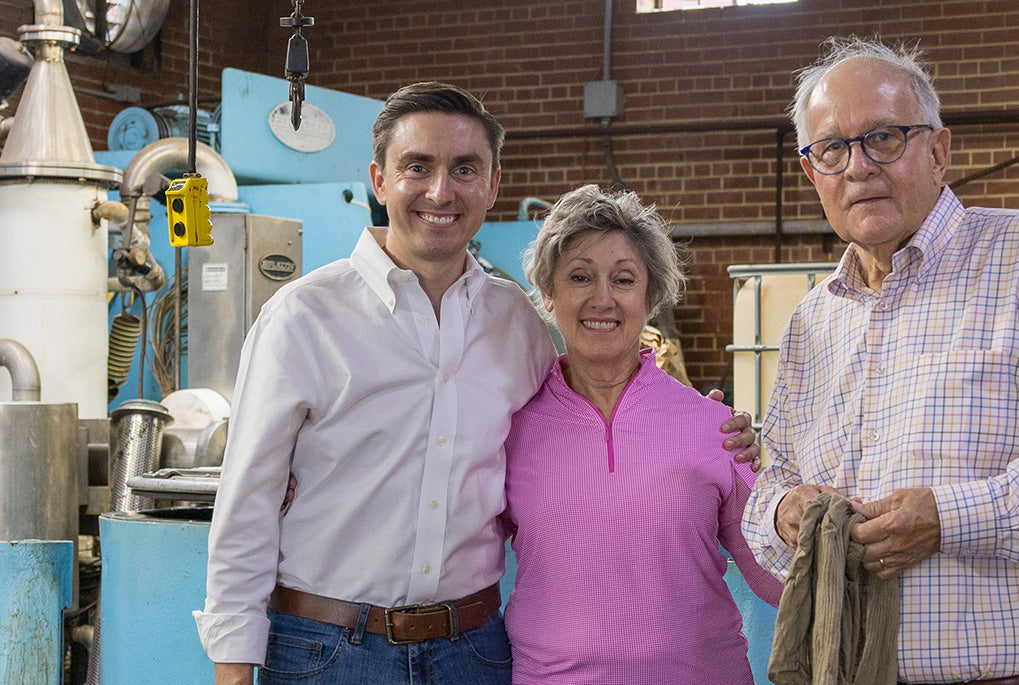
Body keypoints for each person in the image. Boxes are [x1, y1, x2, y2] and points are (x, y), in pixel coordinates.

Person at [194, 82, 759, 685]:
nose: (441, 191)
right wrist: (233, 670)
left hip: (474, 651)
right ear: (379, 181)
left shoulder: (516, 323)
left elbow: (582, 433)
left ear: (492, 186)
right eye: (418, 166)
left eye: (465, 168)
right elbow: (247, 504)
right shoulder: (302, 318)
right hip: (328, 648)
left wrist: (706, 434)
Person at [742, 37, 1019, 685]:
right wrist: (784, 512)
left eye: (884, 138)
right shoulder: (815, 320)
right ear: (814, 174)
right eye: (832, 149)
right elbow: (769, 484)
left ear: (939, 151)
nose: (858, 167)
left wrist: (953, 519)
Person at [503, 184, 782, 684]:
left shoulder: (711, 426)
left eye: (624, 279)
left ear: (652, 295)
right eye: (580, 277)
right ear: (548, 294)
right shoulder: (510, 426)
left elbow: (775, 577)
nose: (602, 299)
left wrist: (798, 488)